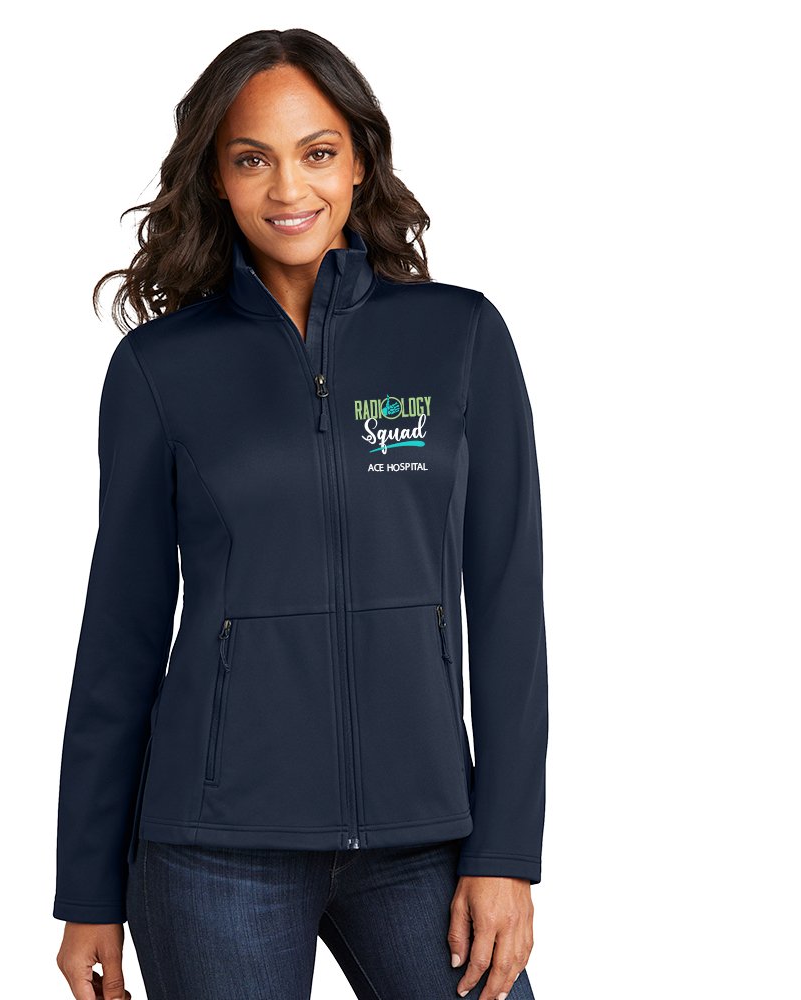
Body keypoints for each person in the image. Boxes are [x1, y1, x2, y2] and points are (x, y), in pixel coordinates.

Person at [53, 27, 548, 1000]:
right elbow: (120, 635)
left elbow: (507, 609)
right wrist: (87, 889)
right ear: (216, 176)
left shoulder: (459, 338)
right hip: (212, 849)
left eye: (317, 152)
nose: (288, 187)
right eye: (253, 159)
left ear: (359, 161)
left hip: (424, 838)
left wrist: (507, 851)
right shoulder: (159, 369)